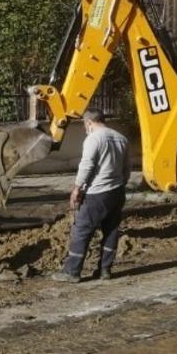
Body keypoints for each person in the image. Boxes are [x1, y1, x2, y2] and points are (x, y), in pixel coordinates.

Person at [53, 110, 131, 283]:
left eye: (84, 125)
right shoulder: (121, 138)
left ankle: (72, 272)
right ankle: (105, 271)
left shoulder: (93, 139)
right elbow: (127, 168)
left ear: (88, 122)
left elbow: (87, 165)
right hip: (117, 192)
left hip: (96, 193)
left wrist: (77, 188)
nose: (85, 128)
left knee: (81, 230)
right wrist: (121, 184)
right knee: (111, 231)